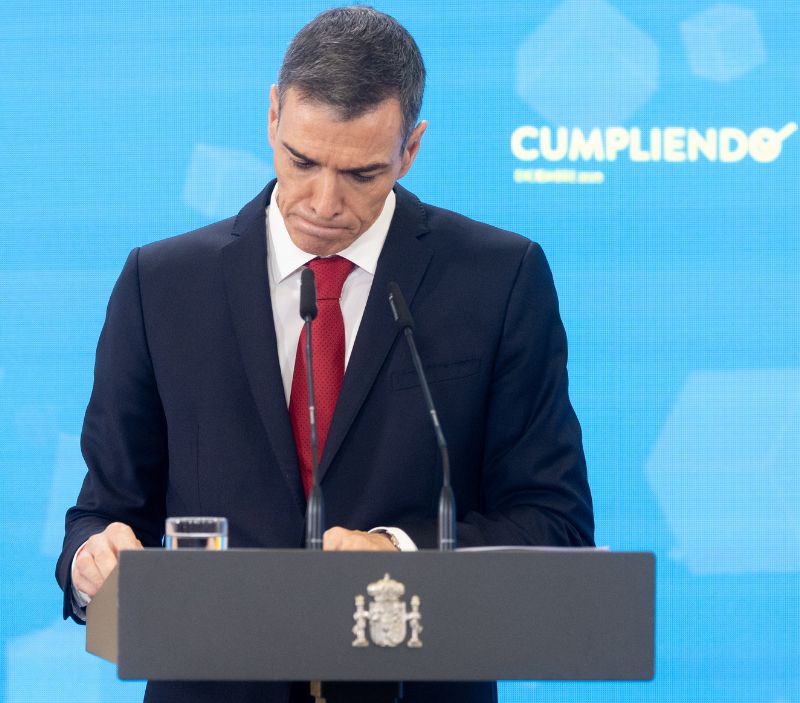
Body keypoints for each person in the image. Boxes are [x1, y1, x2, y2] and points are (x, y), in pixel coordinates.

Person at [53, 6, 594, 702]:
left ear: (412, 148)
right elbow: (102, 508)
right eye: (302, 161)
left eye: (363, 174)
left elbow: (554, 519)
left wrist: (400, 555)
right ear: (273, 114)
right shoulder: (160, 284)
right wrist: (91, 560)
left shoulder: (498, 279)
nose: (324, 203)